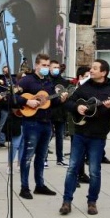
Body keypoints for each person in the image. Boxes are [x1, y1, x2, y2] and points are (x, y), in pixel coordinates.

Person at [60, 59, 110, 215]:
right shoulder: (83, 87)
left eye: (95, 68)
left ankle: (92, 202)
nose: (91, 70)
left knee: (94, 171)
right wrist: (76, 107)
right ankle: (67, 201)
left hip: (98, 136)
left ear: (104, 72)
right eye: (91, 68)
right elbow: (68, 104)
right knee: (72, 168)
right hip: (80, 133)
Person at [14, 53, 67, 199]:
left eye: (47, 66)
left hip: (46, 123)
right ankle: (24, 187)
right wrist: (26, 102)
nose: (46, 68)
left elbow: (51, 103)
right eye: (43, 65)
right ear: (36, 65)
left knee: (42, 156)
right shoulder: (27, 81)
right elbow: (12, 96)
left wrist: (60, 99)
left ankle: (40, 185)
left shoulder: (49, 82)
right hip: (31, 123)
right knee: (28, 155)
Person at [0, 0, 39, 72]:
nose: (12, 30)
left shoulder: (41, 48)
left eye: (17, 24)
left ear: (28, 23)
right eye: (7, 24)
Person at [49, 59, 69, 166]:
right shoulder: (46, 80)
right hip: (49, 112)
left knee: (60, 137)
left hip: (61, 112)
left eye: (58, 67)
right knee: (48, 136)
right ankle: (44, 159)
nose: (56, 69)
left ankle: (60, 158)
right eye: (54, 67)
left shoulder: (64, 81)